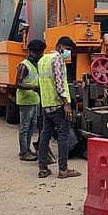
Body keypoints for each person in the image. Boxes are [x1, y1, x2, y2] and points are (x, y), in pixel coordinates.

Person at [37, 36, 81, 179]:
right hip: (58, 105)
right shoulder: (57, 59)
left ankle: (43, 168)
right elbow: (59, 83)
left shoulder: (43, 60)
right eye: (67, 49)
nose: (68, 53)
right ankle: (63, 170)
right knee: (63, 136)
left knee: (45, 136)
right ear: (60, 47)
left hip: (47, 104)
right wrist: (66, 104)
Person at [16, 39, 45, 162]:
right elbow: (17, 84)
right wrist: (33, 88)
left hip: (33, 100)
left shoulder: (35, 65)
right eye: (39, 53)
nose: (40, 55)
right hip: (25, 101)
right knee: (24, 127)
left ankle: (26, 149)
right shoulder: (24, 66)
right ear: (31, 52)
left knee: (32, 127)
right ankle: (24, 152)